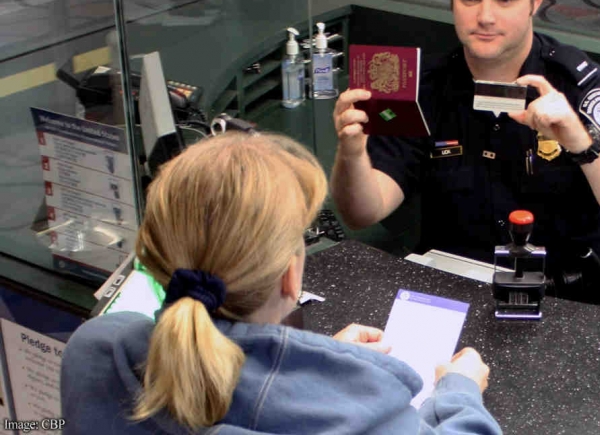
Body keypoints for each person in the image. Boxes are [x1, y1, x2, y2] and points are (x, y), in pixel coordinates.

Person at [60, 132, 501, 434]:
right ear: (291, 276)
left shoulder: (98, 351)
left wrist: (319, 364)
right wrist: (459, 391)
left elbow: (232, 384)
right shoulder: (364, 411)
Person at [331, 0, 600, 307]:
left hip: (571, 302)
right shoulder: (428, 89)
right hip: (458, 293)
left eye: (505, 0)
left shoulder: (577, 85)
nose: (485, 17)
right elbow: (363, 213)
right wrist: (351, 155)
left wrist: (581, 142)